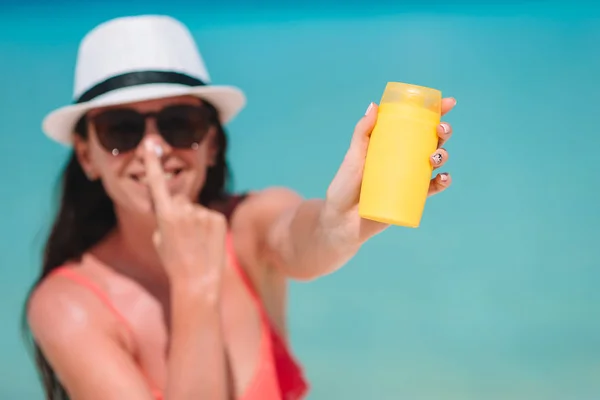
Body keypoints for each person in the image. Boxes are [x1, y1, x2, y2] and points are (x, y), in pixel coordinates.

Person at [22, 14, 456, 400]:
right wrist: (194, 286)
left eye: (179, 125)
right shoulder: (68, 306)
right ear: (86, 156)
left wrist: (342, 220)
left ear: (211, 144)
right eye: (122, 130)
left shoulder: (251, 226)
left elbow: (310, 236)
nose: (153, 150)